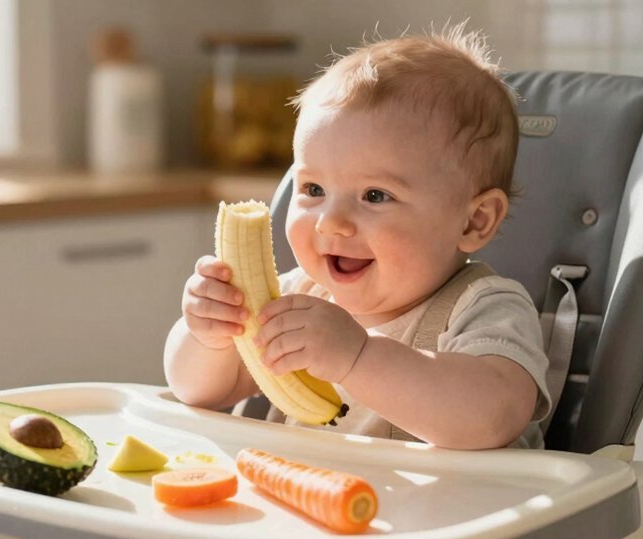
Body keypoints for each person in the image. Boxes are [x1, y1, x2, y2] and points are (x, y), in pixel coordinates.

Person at [164, 24, 551, 449]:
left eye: (375, 195)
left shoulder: (486, 307)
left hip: (446, 514)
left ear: (474, 221)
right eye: (313, 190)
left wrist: (359, 357)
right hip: (306, 506)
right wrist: (208, 335)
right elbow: (201, 393)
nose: (332, 222)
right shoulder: (294, 296)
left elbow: (490, 419)